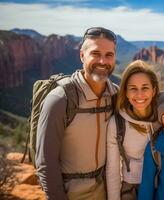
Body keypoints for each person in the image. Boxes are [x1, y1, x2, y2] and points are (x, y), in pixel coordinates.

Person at [35, 27, 118, 200]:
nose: (103, 61)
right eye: (95, 53)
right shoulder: (60, 99)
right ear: (82, 55)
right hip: (71, 193)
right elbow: (45, 163)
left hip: (106, 191)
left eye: (109, 55)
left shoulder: (116, 95)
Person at [106, 60, 161, 200]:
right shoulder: (117, 123)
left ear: (154, 90)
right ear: (125, 92)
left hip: (162, 186)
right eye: (133, 88)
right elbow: (112, 170)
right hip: (132, 189)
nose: (139, 95)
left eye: (145, 87)